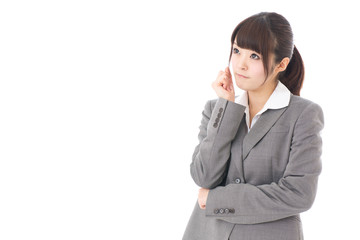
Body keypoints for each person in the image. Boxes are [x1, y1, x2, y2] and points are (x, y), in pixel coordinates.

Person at [182, 12, 324, 240]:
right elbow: (204, 176)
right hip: (208, 233)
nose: (241, 64)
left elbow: (299, 194)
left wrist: (217, 200)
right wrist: (226, 109)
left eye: (255, 56)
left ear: (282, 64)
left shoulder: (303, 114)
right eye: (237, 50)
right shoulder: (216, 109)